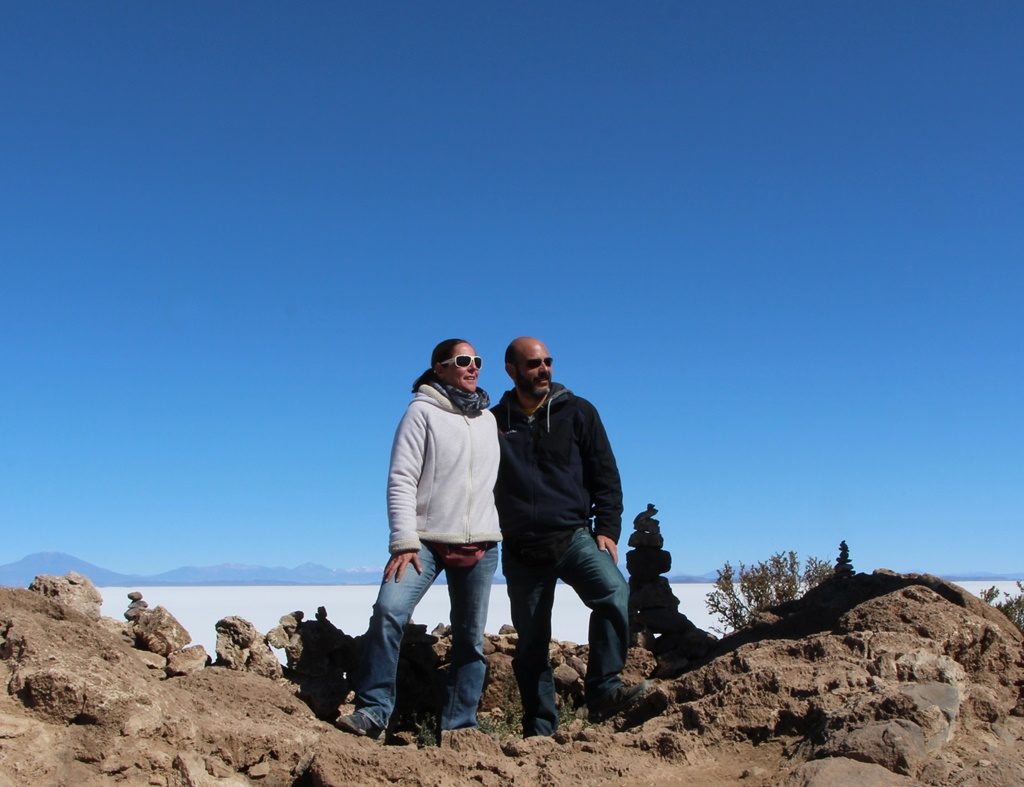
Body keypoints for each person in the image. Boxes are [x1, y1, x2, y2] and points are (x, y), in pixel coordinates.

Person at [336, 338, 502, 739]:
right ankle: (374, 710)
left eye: (477, 360)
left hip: (481, 542)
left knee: (469, 639)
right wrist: (403, 539)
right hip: (423, 542)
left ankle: (460, 729)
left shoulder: (488, 419)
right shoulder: (420, 412)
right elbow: (401, 478)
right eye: (463, 360)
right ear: (440, 367)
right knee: (388, 611)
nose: (473, 366)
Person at [492, 336, 649, 737]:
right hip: (522, 547)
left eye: (547, 362)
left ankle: (604, 691)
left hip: (572, 536)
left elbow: (605, 475)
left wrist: (608, 530)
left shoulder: (578, 412)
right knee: (531, 642)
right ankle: (540, 727)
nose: (543, 369)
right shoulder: (493, 423)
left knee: (614, 594)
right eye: (532, 364)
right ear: (511, 370)